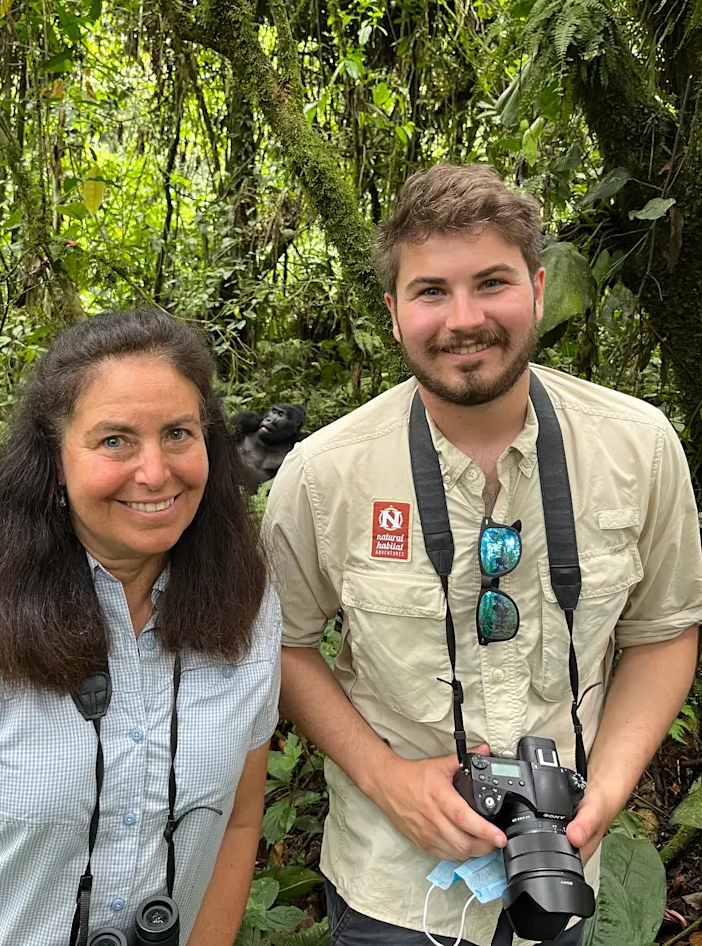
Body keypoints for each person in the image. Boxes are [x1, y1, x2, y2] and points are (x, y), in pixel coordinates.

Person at [263, 164, 702, 946]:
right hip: (391, 887)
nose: (462, 318)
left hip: (563, 867)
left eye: (490, 282)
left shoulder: (638, 448)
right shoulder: (325, 474)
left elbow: (664, 630)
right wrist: (386, 779)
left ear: (536, 289)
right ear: (394, 313)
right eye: (430, 290)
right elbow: (285, 645)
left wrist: (606, 787)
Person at [0, 308, 281, 946]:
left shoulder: (247, 604)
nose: (156, 472)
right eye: (115, 440)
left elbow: (239, 824)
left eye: (178, 434)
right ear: (55, 458)